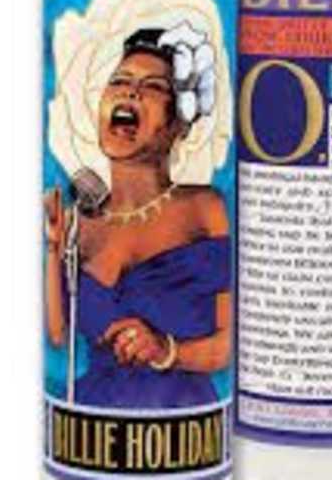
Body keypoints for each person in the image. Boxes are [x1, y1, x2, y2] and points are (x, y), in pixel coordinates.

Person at [44, 27, 231, 408]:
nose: (130, 92)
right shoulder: (79, 223)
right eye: (120, 81)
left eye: (153, 86)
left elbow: (230, 345)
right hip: (94, 416)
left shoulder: (204, 209)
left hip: (179, 414)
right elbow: (59, 334)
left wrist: (166, 351)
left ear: (179, 124)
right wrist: (53, 249)